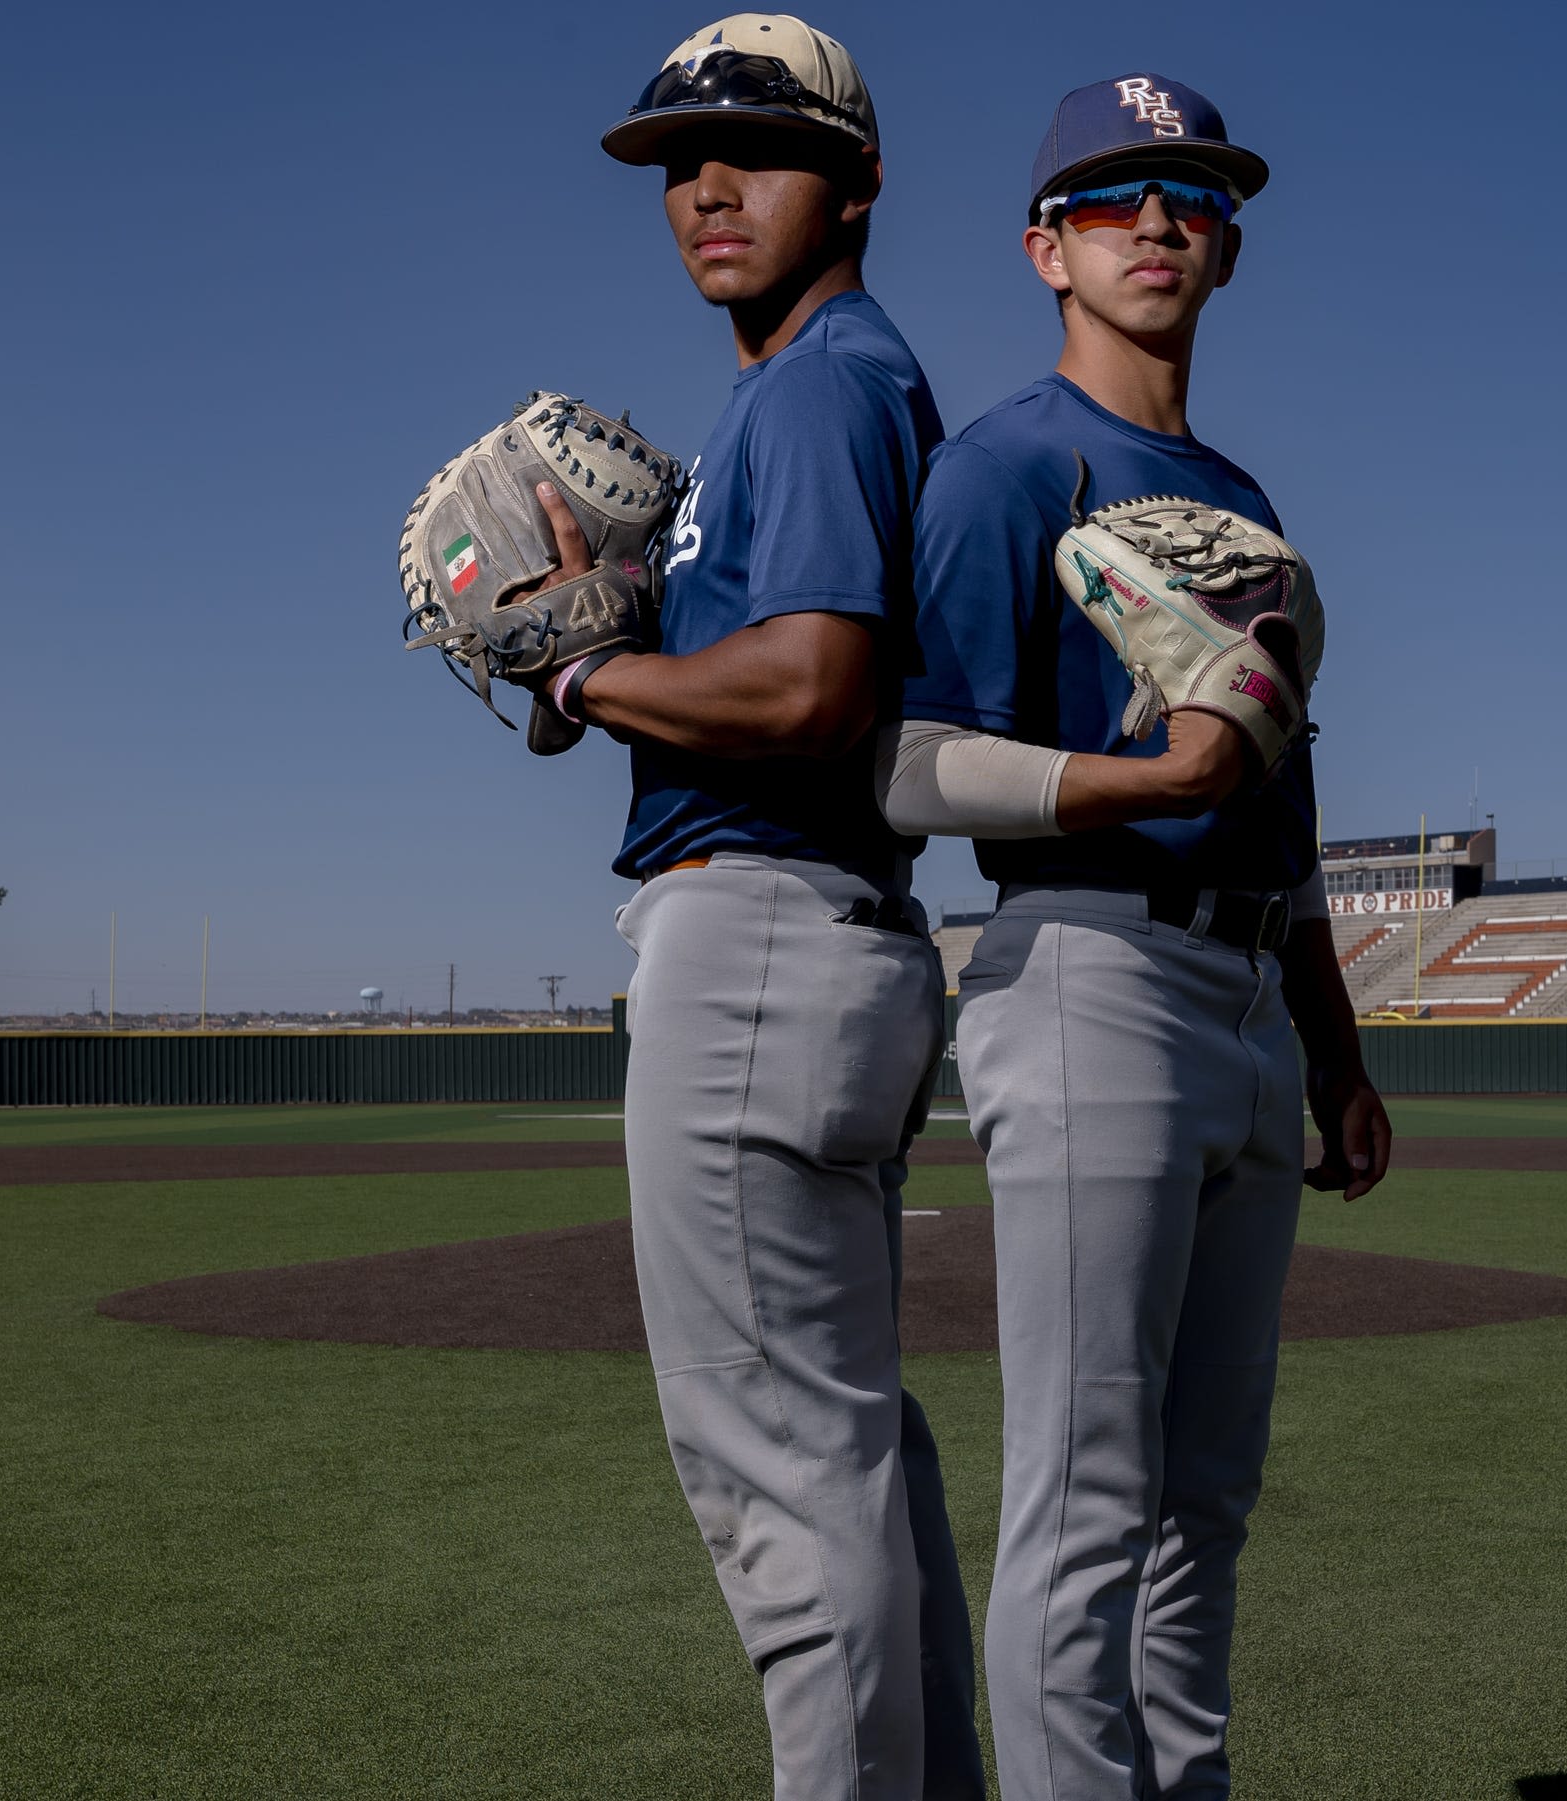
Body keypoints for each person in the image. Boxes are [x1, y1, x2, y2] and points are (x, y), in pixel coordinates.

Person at [881, 73, 1392, 1799]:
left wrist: (1335, 1042)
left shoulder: (1240, 490)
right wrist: (1131, 776)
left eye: (1189, 198)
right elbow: (902, 758)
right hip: (1089, 964)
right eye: (1113, 200)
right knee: (1089, 1493)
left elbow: (1280, 795)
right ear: (1048, 249)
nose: (1157, 222)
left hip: (1249, 987)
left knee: (1207, 1499)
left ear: (1229, 249)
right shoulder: (1006, 464)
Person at [518, 16, 981, 1799]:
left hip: (764, 935)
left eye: (755, 152)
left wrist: (583, 677)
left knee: (784, 1480)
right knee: (845, 1450)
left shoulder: (822, 384)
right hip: (819, 935)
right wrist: (609, 654)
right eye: (675, 163)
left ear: (856, 184)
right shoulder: (806, 388)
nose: (706, 187)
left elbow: (808, 689)